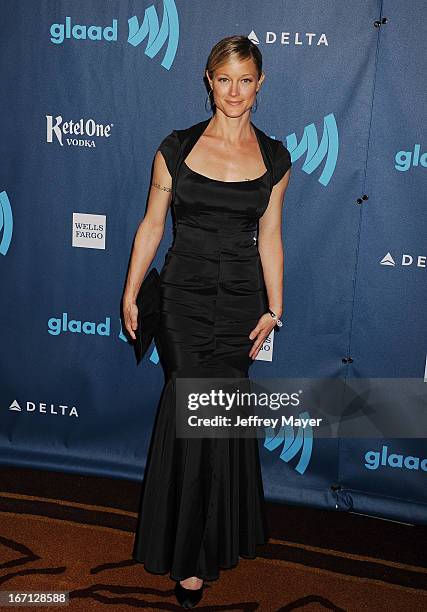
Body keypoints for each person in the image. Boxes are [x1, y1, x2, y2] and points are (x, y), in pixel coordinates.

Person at [123, 34, 292, 608]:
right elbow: (151, 226)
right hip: (183, 302)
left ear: (260, 83)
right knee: (191, 407)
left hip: (240, 302)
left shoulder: (275, 158)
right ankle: (190, 559)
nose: (235, 91)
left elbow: (271, 239)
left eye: (246, 79)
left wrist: (275, 307)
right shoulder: (174, 148)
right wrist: (130, 293)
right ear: (208, 81)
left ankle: (212, 536)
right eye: (225, 79)